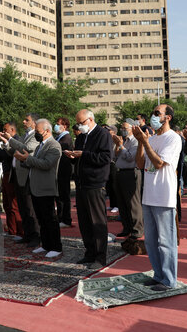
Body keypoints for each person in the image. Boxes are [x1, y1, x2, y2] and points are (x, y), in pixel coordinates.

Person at [134, 104, 182, 291]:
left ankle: (169, 280)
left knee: (165, 241)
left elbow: (160, 163)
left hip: (164, 196)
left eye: (157, 114)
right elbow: (140, 164)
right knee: (151, 241)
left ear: (167, 117)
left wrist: (145, 142)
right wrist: (140, 141)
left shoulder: (174, 138)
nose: (153, 117)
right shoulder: (152, 138)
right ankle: (158, 275)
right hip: (149, 196)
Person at [65, 109, 112, 269]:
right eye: (77, 123)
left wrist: (83, 155)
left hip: (96, 184)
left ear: (90, 119)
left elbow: (105, 158)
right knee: (84, 221)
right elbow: (80, 157)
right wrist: (72, 157)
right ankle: (90, 252)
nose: (79, 126)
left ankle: (100, 256)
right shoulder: (81, 137)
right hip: (81, 183)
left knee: (97, 221)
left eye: (81, 123)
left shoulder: (103, 134)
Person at [13, 119, 63, 258]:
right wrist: (24, 160)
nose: (36, 134)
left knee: (50, 219)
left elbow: (46, 164)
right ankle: (46, 244)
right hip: (36, 187)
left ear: (47, 131)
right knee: (41, 218)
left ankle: (56, 246)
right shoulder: (41, 144)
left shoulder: (54, 145)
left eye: (38, 131)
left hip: (46, 187)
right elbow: (34, 162)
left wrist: (27, 158)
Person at [0, 113, 41, 247]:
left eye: (26, 120)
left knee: (29, 208)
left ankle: (35, 236)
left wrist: (10, 139)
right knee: (22, 207)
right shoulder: (25, 135)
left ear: (34, 122)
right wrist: (6, 142)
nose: (23, 122)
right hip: (17, 175)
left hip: (27, 175)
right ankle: (27, 234)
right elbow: (14, 150)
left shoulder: (35, 136)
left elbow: (26, 149)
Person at [113, 120, 142, 239]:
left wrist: (120, 145)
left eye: (125, 128)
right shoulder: (122, 141)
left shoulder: (136, 141)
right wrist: (118, 145)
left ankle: (137, 230)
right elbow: (116, 155)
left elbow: (130, 158)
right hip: (120, 173)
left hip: (131, 173)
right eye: (121, 128)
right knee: (122, 203)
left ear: (132, 128)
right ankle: (127, 227)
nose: (122, 130)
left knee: (133, 203)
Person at [0, 122, 23, 237]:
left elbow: (8, 155)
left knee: (14, 205)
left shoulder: (17, 141)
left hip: (12, 174)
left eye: (5, 130)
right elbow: (2, 158)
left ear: (12, 129)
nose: (3, 132)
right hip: (6, 173)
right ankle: (12, 230)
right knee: (7, 204)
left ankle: (19, 231)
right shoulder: (7, 141)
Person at [54, 117, 74, 228]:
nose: (56, 126)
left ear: (65, 126)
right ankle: (60, 217)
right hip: (58, 170)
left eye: (58, 124)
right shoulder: (59, 137)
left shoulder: (66, 138)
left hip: (63, 170)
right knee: (59, 196)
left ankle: (66, 219)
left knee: (63, 196)